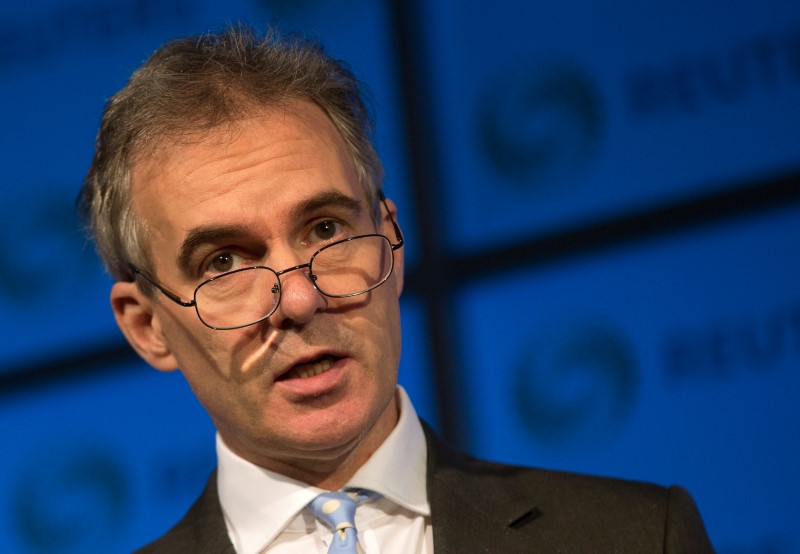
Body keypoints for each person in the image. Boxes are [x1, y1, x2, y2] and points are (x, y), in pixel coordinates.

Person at [79, 25, 714, 553]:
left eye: (325, 229)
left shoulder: (635, 537)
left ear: (391, 238)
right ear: (147, 326)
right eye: (224, 264)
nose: (300, 300)